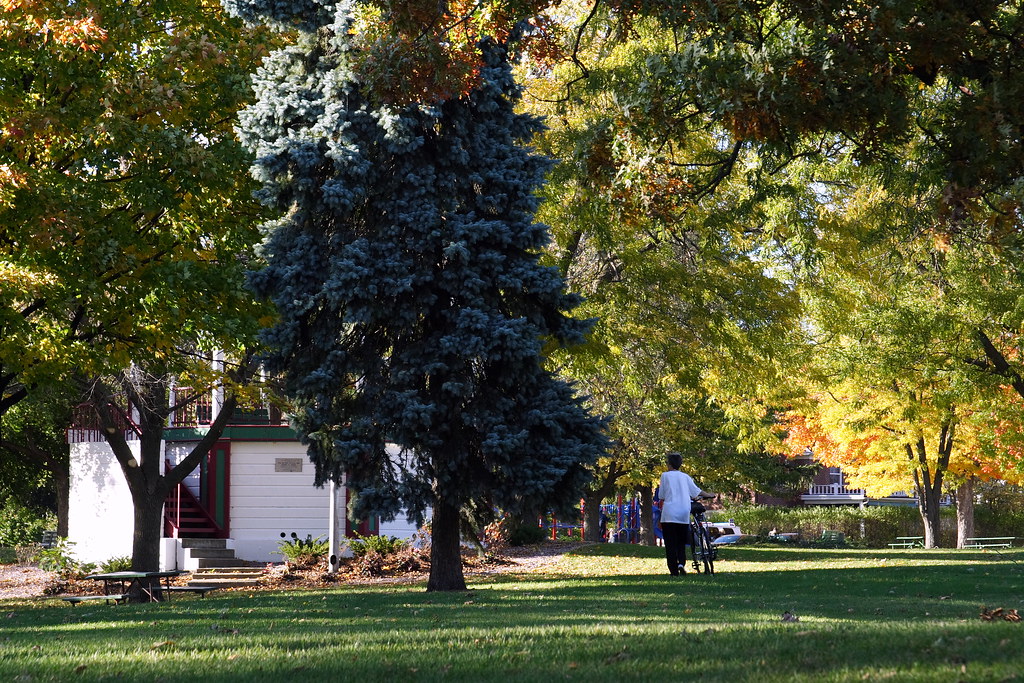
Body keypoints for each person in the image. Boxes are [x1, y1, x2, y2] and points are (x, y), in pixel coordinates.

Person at [656, 451, 715, 576]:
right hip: (683, 514)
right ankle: (681, 563)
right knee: (681, 543)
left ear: (669, 464)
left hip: (669, 514)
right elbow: (696, 491)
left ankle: (673, 571)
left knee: (670, 544)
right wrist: (709, 495)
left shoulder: (665, 476)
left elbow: (661, 495)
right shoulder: (685, 477)